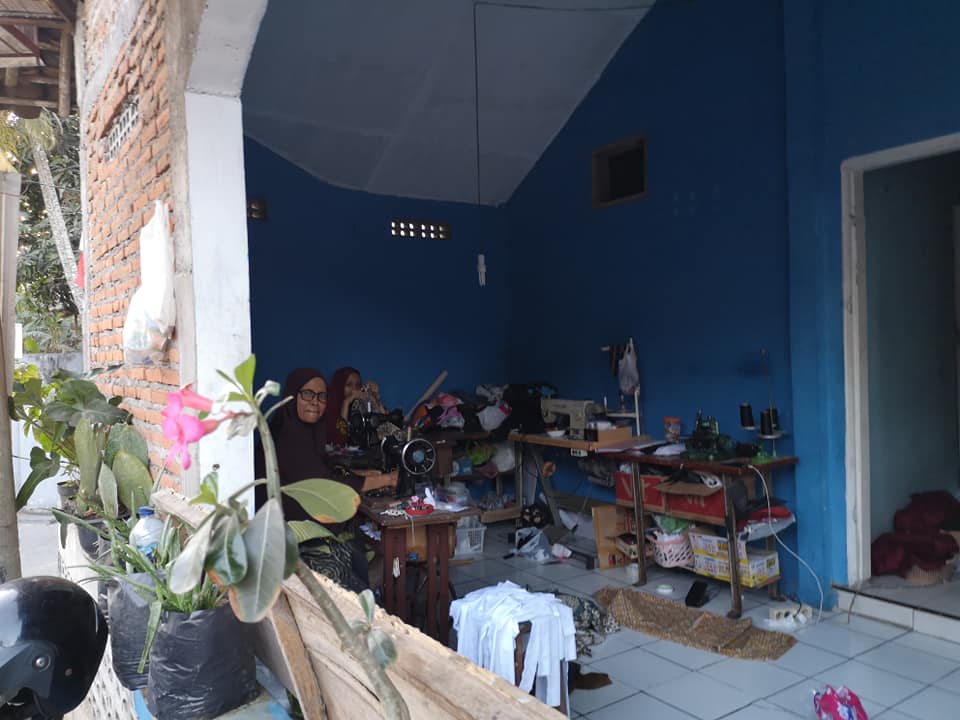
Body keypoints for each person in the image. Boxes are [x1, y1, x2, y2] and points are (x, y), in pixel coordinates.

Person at [255, 367, 396, 592]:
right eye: (307, 394)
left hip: (293, 526)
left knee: (359, 547)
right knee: (353, 554)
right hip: (288, 537)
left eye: (322, 396)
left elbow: (315, 469)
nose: (315, 402)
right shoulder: (287, 437)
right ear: (292, 396)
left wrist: (359, 475)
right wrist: (388, 479)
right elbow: (323, 485)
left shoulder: (299, 428)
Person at [327, 366, 401, 447]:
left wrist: (376, 400)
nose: (354, 389)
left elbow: (385, 430)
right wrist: (346, 402)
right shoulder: (330, 411)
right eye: (349, 385)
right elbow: (341, 438)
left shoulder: (361, 407)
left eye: (358, 385)